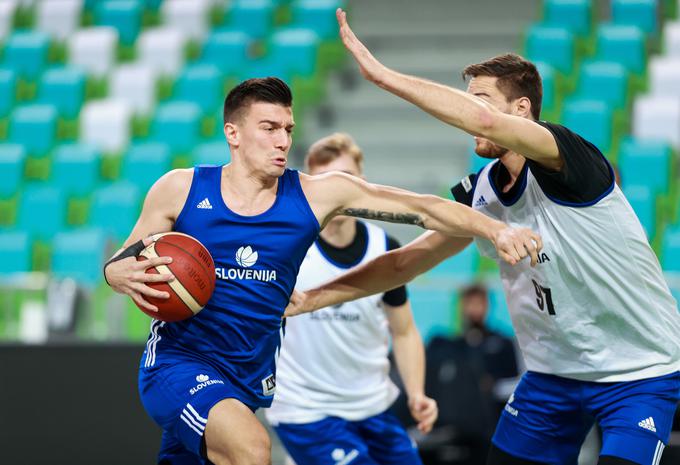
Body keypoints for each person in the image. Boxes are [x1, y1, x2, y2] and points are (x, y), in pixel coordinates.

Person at [285, 10, 680, 465]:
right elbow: (402, 265)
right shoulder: (481, 193)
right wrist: (313, 297)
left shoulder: (572, 160)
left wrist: (383, 76)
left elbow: (486, 122)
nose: (472, 113)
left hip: (639, 371)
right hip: (553, 376)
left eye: (481, 100)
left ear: (522, 111)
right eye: (469, 100)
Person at [102, 77, 540, 465]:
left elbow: (421, 209)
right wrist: (114, 274)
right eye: (269, 128)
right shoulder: (180, 188)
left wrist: (494, 228)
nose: (282, 141)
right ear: (232, 134)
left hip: (248, 378)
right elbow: (124, 259)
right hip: (178, 363)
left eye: (288, 130)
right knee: (252, 449)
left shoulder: (314, 196)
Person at [265, 133, 437, 465]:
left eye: (347, 179)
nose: (338, 190)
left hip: (372, 406)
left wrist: (416, 393)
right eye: (327, 181)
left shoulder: (384, 246)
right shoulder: (287, 248)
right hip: (306, 410)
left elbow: (403, 330)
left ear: (363, 183)